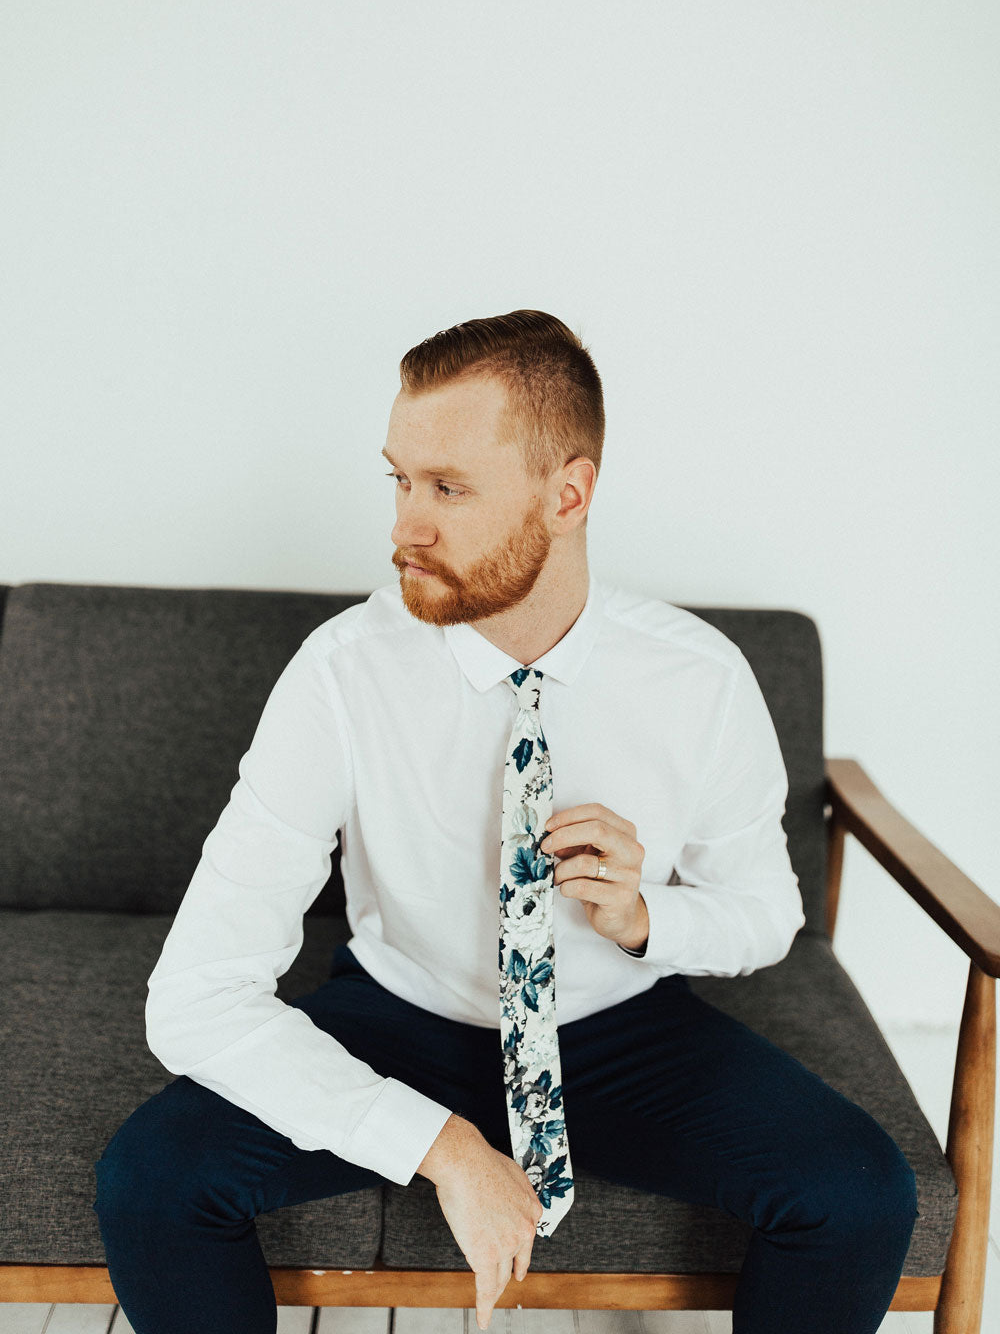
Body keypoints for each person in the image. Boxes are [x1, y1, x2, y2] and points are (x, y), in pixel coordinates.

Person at [93, 309, 917, 1334]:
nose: (403, 526)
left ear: (567, 492)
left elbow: (762, 911)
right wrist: (440, 1147)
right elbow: (192, 998)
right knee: (151, 1179)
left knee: (858, 1191)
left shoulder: (698, 677)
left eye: (447, 487)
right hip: (400, 1018)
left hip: (618, 1027)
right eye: (398, 479)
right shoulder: (343, 672)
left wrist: (646, 919)